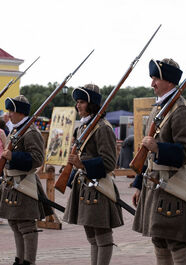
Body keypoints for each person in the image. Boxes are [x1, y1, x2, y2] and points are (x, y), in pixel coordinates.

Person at [132, 58, 186, 265]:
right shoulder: (160, 108)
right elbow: (146, 154)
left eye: (156, 78)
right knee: (159, 240)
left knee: (177, 241)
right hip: (155, 183)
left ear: (169, 81)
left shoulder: (181, 110)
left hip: (174, 185)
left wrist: (159, 148)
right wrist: (139, 184)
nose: (152, 83)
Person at [63, 84, 123, 265]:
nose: (78, 106)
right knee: (91, 236)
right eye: (77, 102)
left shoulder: (102, 127)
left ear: (92, 104)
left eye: (82, 102)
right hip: (84, 187)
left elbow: (109, 162)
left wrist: (82, 164)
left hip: (99, 189)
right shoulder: (82, 128)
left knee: (103, 237)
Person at [0, 95, 53, 265]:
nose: (9, 114)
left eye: (12, 111)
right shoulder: (17, 129)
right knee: (15, 224)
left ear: (21, 112)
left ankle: (29, 261)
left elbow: (37, 159)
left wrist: (12, 156)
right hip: (12, 183)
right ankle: (19, 259)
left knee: (27, 227)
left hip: (24, 184)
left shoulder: (30, 131)